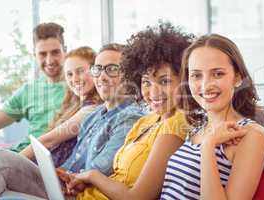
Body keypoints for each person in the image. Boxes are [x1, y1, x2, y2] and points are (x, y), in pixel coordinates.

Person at [0, 43, 145, 200]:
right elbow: (74, 158)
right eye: (98, 69)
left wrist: (69, 176)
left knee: (2, 160)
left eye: (112, 69)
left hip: (76, 193)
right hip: (62, 183)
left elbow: (102, 168)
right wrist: (59, 172)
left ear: (130, 74)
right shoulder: (95, 114)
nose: (101, 76)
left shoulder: (129, 118)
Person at [61, 22, 192, 200]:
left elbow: (136, 198)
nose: (153, 93)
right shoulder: (147, 121)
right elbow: (117, 178)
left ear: (184, 80)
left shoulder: (175, 126)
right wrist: (82, 182)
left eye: (164, 81)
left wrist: (91, 176)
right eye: (146, 82)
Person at [160, 34, 264, 200]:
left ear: (238, 77)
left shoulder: (251, 134)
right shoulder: (198, 127)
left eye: (218, 74)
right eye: (196, 75)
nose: (206, 85)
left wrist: (208, 145)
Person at [0, 22, 67, 157]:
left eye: (55, 52)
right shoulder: (29, 91)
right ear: (35, 56)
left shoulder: (80, 87)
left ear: (65, 51)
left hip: (41, 159)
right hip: (16, 154)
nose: (49, 60)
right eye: (42, 54)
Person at [20, 46, 102, 167]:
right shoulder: (73, 106)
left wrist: (13, 161)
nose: (74, 79)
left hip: (49, 176)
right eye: (69, 74)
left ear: (95, 71)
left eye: (80, 71)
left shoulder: (91, 109)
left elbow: (48, 140)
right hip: (39, 168)